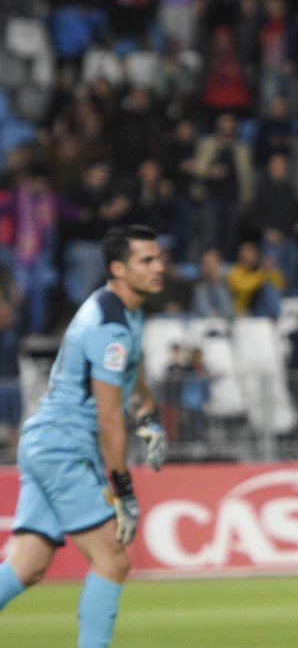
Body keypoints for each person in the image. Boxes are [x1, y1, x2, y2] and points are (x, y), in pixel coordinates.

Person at [0, 225, 168, 647]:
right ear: (118, 268)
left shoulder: (123, 310)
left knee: (28, 564)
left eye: (158, 257)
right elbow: (109, 419)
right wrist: (124, 490)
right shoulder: (109, 325)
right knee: (112, 559)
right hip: (65, 446)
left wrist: (147, 412)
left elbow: (134, 366)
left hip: (45, 440)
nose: (159, 267)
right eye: (146, 260)